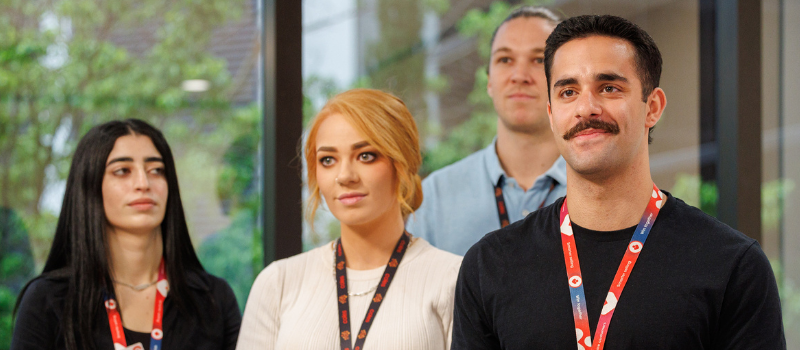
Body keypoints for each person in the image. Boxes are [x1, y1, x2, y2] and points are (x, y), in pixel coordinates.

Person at [452, 15, 785, 349]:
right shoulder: (489, 266)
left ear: (652, 107)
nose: (586, 107)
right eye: (569, 92)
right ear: (552, 116)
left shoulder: (732, 266)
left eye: (609, 88)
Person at [236, 89, 462, 349]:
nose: (344, 176)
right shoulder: (278, 282)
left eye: (366, 155)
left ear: (402, 164)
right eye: (328, 159)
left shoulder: (452, 279)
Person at [12, 119, 241, 350]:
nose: (143, 183)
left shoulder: (213, 299)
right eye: (122, 171)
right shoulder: (47, 300)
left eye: (156, 171)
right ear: (90, 186)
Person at [408, 6, 567, 256]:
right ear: (489, 80)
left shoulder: (600, 190)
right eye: (505, 60)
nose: (519, 75)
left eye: (539, 59)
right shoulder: (435, 197)